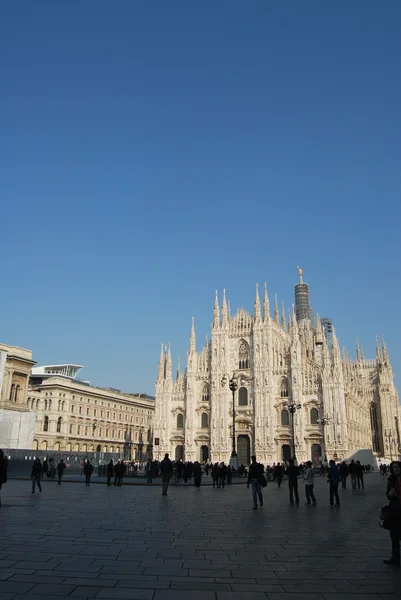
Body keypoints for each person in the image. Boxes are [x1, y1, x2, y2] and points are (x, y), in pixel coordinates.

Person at [383, 461, 401, 566]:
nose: (396, 469)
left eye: (398, 467)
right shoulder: (391, 480)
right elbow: (388, 495)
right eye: (394, 467)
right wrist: (390, 494)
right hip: (395, 510)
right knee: (394, 535)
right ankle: (395, 557)